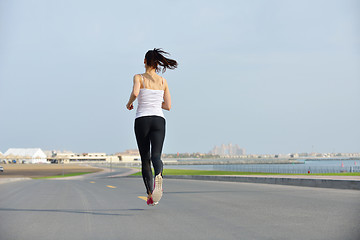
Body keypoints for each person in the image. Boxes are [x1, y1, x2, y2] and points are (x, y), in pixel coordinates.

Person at [126, 48, 178, 206]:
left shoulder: (139, 77)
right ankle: (159, 175)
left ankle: (150, 194)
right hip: (158, 120)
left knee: (145, 159)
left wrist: (129, 103)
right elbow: (168, 106)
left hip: (142, 119)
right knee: (156, 156)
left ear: (144, 61)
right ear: (157, 63)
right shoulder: (163, 81)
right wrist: (156, 102)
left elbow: (135, 93)